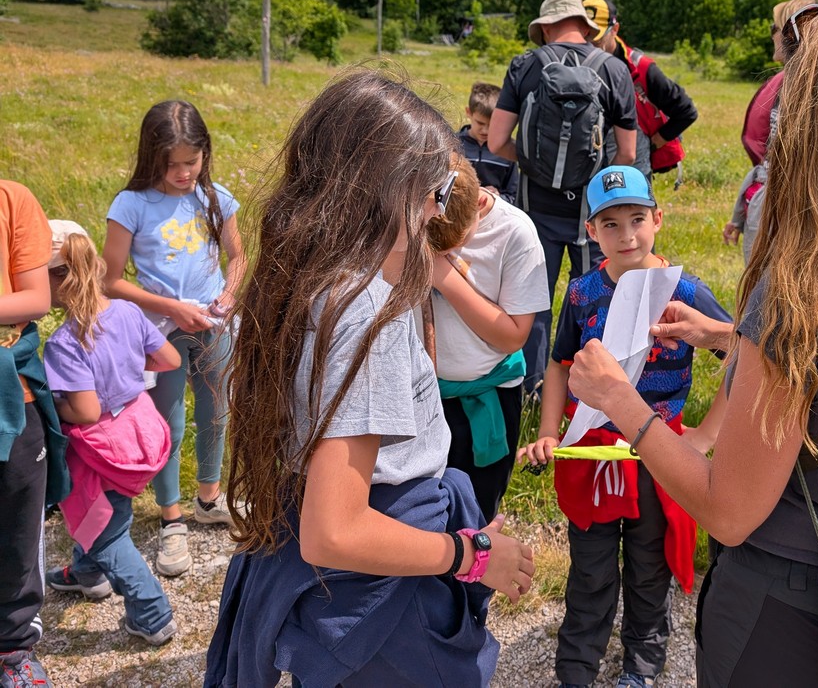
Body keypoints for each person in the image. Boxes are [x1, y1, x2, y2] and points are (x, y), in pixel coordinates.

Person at [565, 0, 818, 684]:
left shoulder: (801, 290)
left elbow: (726, 510)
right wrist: (731, 337)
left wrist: (616, 398)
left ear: (813, 117)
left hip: (787, 605)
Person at [205, 70, 535, 688]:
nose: (438, 217)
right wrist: (468, 556)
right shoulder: (365, 313)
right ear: (388, 193)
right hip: (384, 608)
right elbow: (336, 531)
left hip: (344, 598)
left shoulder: (312, 280)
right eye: (435, 196)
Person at [518, 164, 731, 688]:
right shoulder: (583, 293)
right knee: (589, 568)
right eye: (610, 224)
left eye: (637, 218)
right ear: (591, 232)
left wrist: (706, 433)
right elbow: (560, 364)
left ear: (658, 219)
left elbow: (743, 354)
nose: (627, 234)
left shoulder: (685, 289)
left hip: (660, 455)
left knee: (648, 565)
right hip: (593, 452)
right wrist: (549, 431)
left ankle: (641, 665)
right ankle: (575, 668)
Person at [101, 100, 246, 578]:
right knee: (167, 425)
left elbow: (238, 257)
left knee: (215, 411)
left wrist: (228, 293)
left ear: (206, 153)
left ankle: (208, 497)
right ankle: (171, 517)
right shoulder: (132, 204)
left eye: (192, 161)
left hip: (212, 325)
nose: (183, 173)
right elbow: (111, 281)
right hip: (157, 333)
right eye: (172, 164)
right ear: (151, 156)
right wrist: (172, 309)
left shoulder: (216, 198)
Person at [488, 0, 638, 394]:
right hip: (592, 213)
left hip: (536, 207)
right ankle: (587, 393)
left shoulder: (524, 65)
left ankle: (532, 388)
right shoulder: (614, 69)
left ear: (546, 27)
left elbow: (497, 140)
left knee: (532, 302)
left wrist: (533, 166)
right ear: (584, 27)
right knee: (594, 299)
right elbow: (626, 152)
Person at [42, 222, 181, 646]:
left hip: (100, 448)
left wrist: (53, 404)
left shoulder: (65, 343)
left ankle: (153, 616)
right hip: (139, 433)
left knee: (108, 530)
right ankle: (88, 576)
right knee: (106, 512)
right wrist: (126, 378)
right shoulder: (126, 311)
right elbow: (169, 358)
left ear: (57, 278)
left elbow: (83, 410)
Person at [424, 154, 550, 520]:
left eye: (456, 244)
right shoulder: (415, 215)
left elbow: (514, 337)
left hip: (489, 396)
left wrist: (442, 275)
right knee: (423, 514)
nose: (447, 254)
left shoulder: (515, 233)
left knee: (475, 515)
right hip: (424, 395)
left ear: (480, 201)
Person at [0, 180, 59, 688]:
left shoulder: (13, 200)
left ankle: (14, 651)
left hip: (12, 397)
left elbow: (35, 297)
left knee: (19, 528)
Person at [724, 0, 818, 262]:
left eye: (774, 28)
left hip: (781, 212)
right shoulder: (808, 86)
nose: (771, 36)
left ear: (791, 34)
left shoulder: (800, 90)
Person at [583, 0, 698, 180]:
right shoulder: (576, 63)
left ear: (615, 30)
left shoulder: (641, 68)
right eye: (584, 38)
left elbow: (686, 111)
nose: (589, 47)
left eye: (596, 41)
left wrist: (654, 143)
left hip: (633, 171)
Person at [457, 82, 518, 204]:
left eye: (491, 125)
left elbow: (514, 196)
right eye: (480, 123)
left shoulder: (506, 150)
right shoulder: (453, 144)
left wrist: (497, 197)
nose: (485, 130)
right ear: (468, 112)